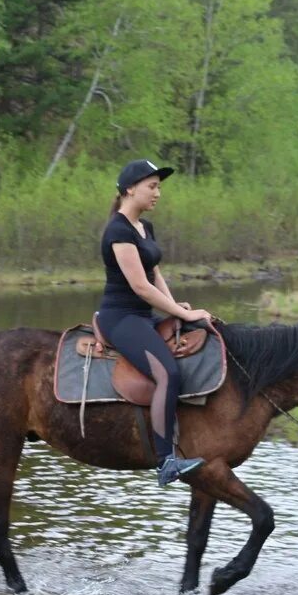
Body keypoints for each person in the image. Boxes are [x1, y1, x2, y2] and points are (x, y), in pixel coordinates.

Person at [98, 159, 213, 486]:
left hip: (145, 315)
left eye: (159, 186)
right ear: (130, 189)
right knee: (168, 373)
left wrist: (176, 308)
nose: (158, 193)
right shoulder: (118, 230)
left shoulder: (145, 228)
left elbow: (155, 274)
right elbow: (139, 286)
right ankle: (165, 462)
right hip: (121, 317)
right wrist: (184, 314)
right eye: (152, 186)